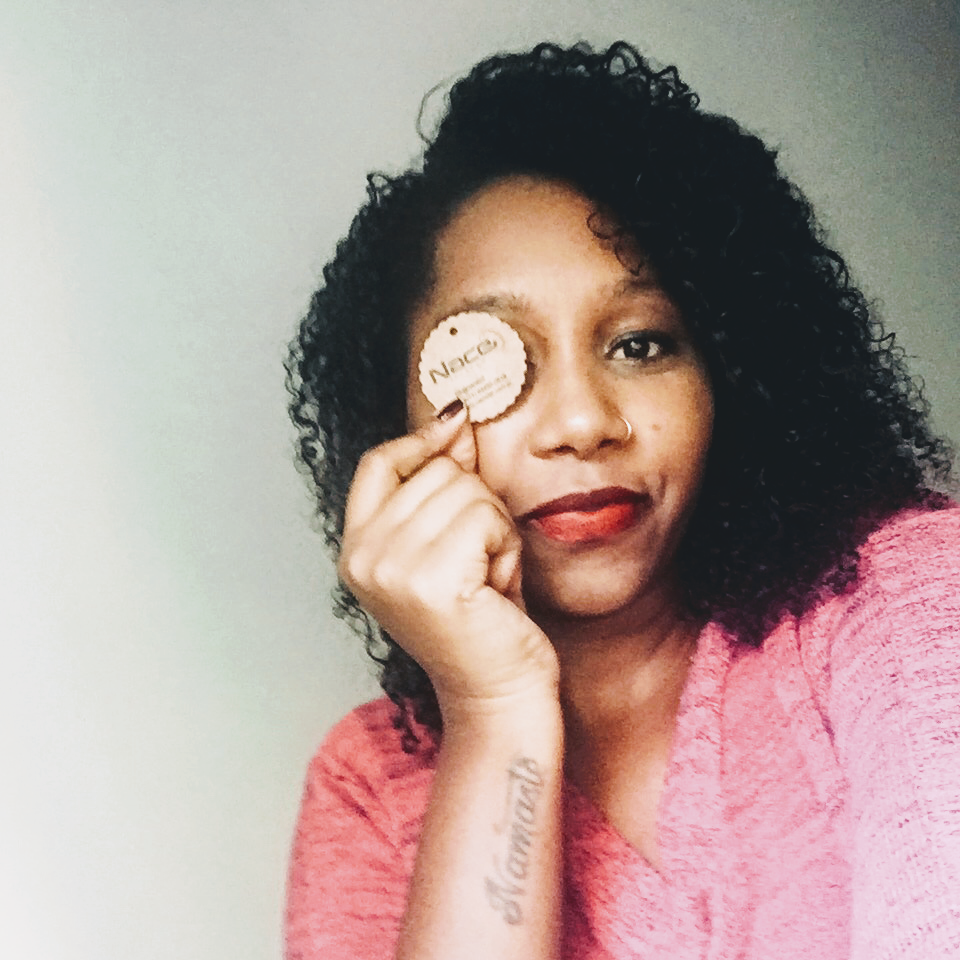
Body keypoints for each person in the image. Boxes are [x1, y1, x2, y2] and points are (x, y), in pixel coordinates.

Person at [283, 41, 959, 960]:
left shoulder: (905, 599)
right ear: (392, 414)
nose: (581, 422)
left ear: (730, 375)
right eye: (496, 366)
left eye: (640, 344)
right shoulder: (370, 785)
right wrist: (494, 713)